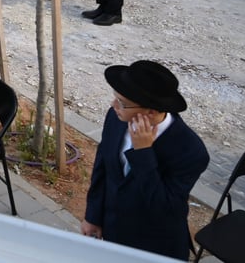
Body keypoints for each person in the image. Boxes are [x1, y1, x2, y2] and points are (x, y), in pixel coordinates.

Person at [82, 60, 209, 260]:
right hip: (113, 229)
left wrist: (143, 153)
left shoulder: (191, 151)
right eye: (115, 97)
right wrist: (92, 216)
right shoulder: (116, 118)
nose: (113, 105)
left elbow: (163, 208)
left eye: (122, 102)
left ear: (151, 111)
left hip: (153, 243)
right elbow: (103, 166)